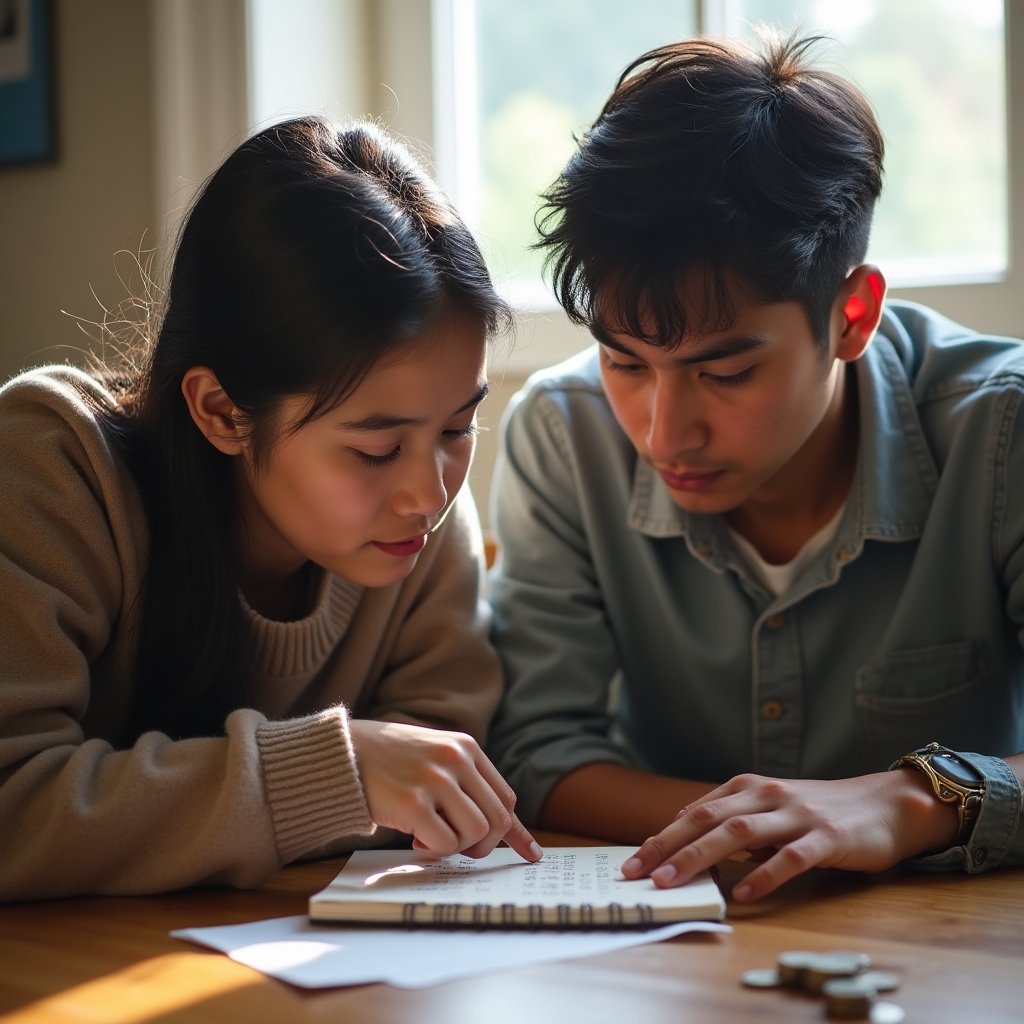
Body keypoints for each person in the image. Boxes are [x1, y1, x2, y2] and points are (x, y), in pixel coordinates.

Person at [487, 34, 1024, 903]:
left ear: (853, 315)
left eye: (725, 372)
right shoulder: (562, 434)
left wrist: (908, 802)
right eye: (624, 362)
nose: (665, 433)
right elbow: (542, 752)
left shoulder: (1003, 429)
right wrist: (776, 826)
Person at [0, 117, 540, 901]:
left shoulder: (422, 532)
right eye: (375, 449)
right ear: (221, 411)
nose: (430, 492)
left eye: (458, 426)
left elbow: (439, 775)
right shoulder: (55, 473)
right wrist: (334, 773)